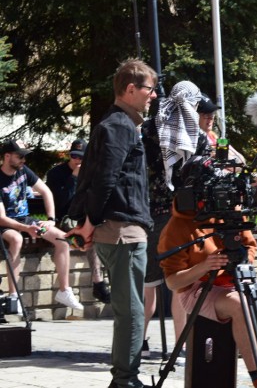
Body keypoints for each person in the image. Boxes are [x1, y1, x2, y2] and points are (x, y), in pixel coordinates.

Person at [66, 58, 157, 388]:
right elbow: (105, 179)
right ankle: (125, 380)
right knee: (132, 311)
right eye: (149, 89)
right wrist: (89, 223)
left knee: (127, 309)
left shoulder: (116, 123)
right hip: (122, 232)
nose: (154, 95)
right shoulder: (119, 126)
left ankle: (124, 378)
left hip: (117, 230)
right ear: (131, 89)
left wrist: (88, 222)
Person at [158, 199, 257, 387]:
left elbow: (250, 246)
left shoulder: (232, 213)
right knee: (239, 305)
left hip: (233, 279)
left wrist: (243, 260)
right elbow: (172, 281)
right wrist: (205, 266)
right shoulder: (178, 224)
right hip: (196, 288)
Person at [140, 80, 202, 359]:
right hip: (180, 216)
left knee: (147, 284)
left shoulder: (149, 127)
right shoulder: (194, 134)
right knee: (179, 281)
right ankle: (182, 343)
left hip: (149, 213)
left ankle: (136, 341)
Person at [0, 139, 84, 312]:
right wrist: (25, 229)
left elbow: (46, 191)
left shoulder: (24, 171)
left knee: (62, 239)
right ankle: (14, 296)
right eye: (20, 156)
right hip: (7, 223)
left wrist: (51, 219)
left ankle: (64, 291)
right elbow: (1, 218)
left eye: (25, 156)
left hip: (26, 220)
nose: (23, 160)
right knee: (16, 239)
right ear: (7, 156)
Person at [46, 138, 110, 304]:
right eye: (74, 156)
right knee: (90, 235)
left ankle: (101, 283)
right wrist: (74, 178)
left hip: (85, 218)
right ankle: (98, 282)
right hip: (66, 219)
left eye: (81, 157)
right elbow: (62, 203)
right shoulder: (56, 174)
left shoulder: (93, 173)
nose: (77, 160)